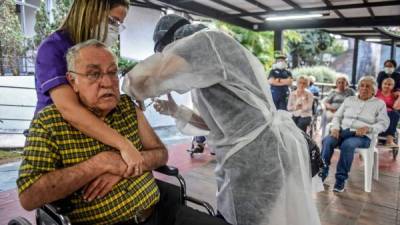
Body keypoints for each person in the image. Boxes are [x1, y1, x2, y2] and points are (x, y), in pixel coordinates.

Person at [122, 14, 320, 225]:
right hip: (243, 156)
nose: (170, 58)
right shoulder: (207, 72)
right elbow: (216, 125)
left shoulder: (209, 43)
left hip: (258, 157)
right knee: (234, 214)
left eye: (167, 51)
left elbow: (146, 79)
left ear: (177, 43)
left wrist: (129, 85)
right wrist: (177, 111)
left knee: (251, 219)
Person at [18, 40, 229, 225]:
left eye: (112, 72)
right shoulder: (49, 122)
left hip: (161, 212)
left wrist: (119, 166)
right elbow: (29, 196)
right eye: (93, 74)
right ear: (73, 81)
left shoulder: (126, 107)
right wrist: (100, 163)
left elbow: (160, 153)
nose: (108, 81)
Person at [33, 0, 142, 178]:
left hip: (85, 133)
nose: (115, 30)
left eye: (119, 25)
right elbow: (69, 109)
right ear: (91, 12)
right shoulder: (53, 48)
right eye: (112, 22)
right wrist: (124, 144)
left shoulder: (94, 50)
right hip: (57, 136)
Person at [320, 76, 389, 192]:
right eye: (362, 85)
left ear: (374, 90)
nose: (364, 88)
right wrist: (335, 128)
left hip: (362, 136)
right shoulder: (349, 100)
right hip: (344, 131)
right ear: (358, 87)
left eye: (368, 86)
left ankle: (340, 180)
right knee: (327, 141)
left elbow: (384, 123)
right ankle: (321, 173)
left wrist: (369, 129)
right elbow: (337, 116)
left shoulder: (379, 104)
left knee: (348, 145)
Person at [376, 78, 400, 147]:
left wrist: (399, 97)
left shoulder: (393, 95)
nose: (387, 86)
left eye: (389, 84)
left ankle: (389, 140)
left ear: (393, 86)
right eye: (385, 84)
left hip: (389, 114)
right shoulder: (376, 92)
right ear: (381, 84)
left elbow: (395, 107)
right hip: (377, 112)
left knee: (395, 114)